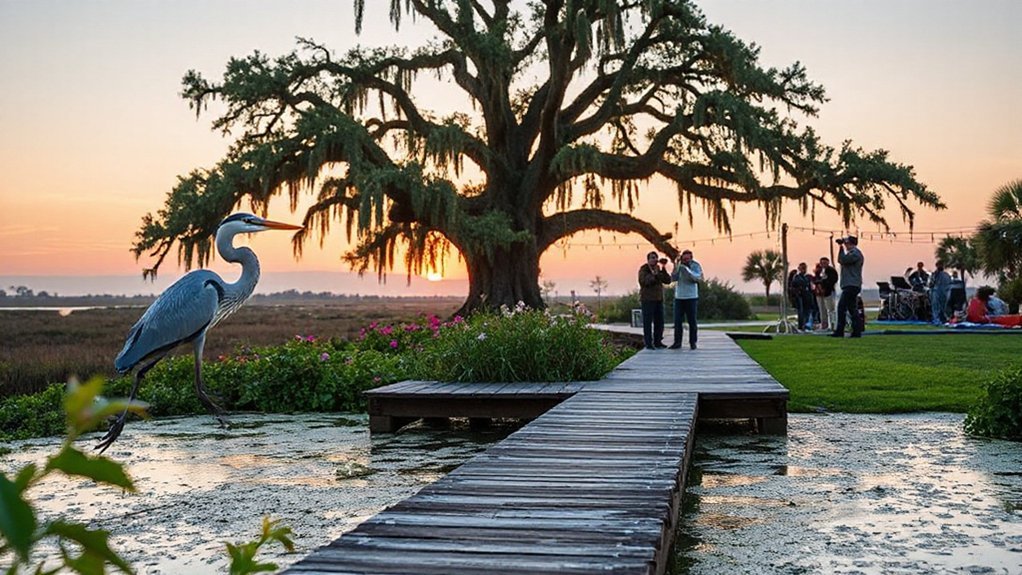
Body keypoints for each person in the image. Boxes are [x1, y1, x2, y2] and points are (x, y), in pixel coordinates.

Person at [830, 235, 864, 338]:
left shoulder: (855, 254)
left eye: (846, 243)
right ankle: (856, 331)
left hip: (851, 284)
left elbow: (842, 260)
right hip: (850, 284)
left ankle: (840, 331)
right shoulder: (853, 253)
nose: (845, 245)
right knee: (852, 309)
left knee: (841, 307)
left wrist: (840, 247)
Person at [670, 249, 703, 349]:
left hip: (691, 297)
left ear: (691, 258)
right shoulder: (679, 265)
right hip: (679, 297)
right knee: (677, 321)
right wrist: (676, 267)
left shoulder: (696, 266)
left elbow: (698, 278)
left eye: (687, 259)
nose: (685, 261)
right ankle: (677, 343)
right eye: (684, 259)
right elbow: (673, 279)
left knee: (692, 321)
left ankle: (693, 342)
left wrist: (687, 271)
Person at [638, 251, 671, 349]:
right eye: (652, 258)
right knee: (647, 322)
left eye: (656, 258)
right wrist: (654, 275)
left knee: (659, 322)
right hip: (647, 299)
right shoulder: (644, 269)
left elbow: (667, 280)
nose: (655, 260)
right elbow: (644, 281)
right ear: (648, 260)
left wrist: (663, 269)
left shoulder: (658, 268)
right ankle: (648, 343)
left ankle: (658, 341)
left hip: (658, 299)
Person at [815, 257, 839, 330]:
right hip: (819, 294)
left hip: (828, 293)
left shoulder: (831, 271)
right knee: (822, 310)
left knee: (830, 309)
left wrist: (824, 284)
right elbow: (815, 279)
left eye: (825, 263)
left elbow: (833, 280)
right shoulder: (818, 271)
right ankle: (824, 324)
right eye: (822, 263)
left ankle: (832, 324)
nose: (823, 264)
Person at [790, 262, 813, 331]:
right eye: (802, 268)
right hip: (800, 296)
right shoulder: (797, 277)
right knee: (801, 311)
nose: (804, 269)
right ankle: (801, 325)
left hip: (807, 296)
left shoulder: (807, 277)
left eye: (804, 268)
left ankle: (805, 324)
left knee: (807, 311)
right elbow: (794, 286)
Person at [927, 261, 952, 325]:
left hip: (941, 293)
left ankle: (940, 319)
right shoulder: (936, 274)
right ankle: (938, 319)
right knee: (937, 307)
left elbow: (931, 284)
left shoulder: (945, 275)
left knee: (941, 307)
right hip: (938, 293)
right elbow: (931, 284)